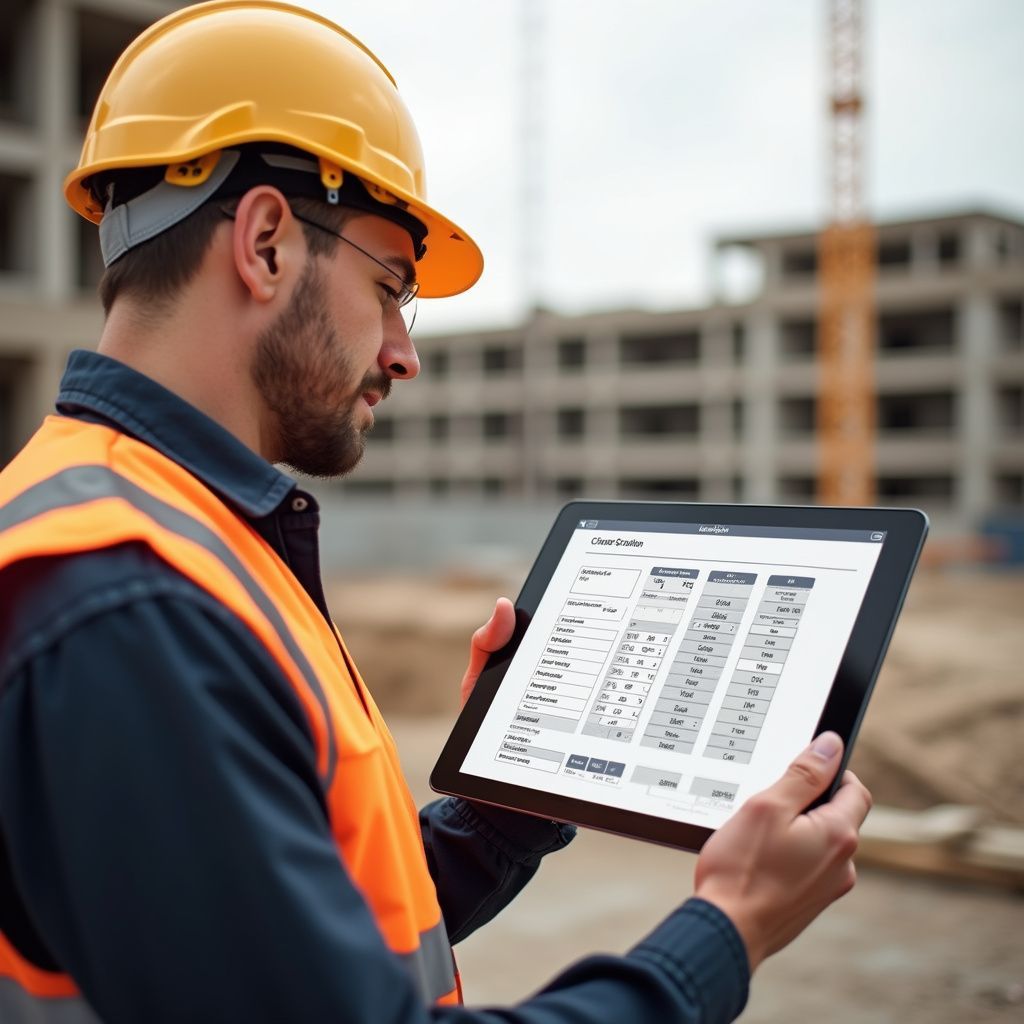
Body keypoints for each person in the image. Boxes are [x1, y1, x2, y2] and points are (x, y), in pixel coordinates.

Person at [0, 3, 871, 1022]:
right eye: (390, 286)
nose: (404, 352)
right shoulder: (125, 599)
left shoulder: (161, 531)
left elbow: (302, 934)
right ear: (267, 242)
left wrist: (504, 808)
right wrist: (726, 926)